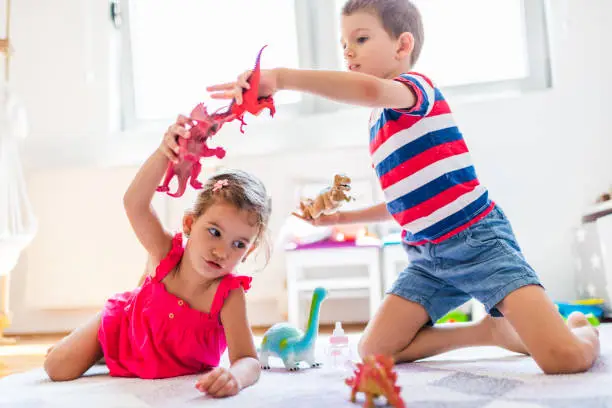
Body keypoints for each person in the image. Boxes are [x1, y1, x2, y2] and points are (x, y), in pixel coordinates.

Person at [206, 0, 599, 374]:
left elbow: (368, 90)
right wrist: (341, 218)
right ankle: (487, 332)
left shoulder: (416, 90)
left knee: (562, 358)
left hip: (479, 242)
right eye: (344, 44)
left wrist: (282, 78)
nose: (349, 52)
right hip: (428, 259)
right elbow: (403, 203)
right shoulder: (378, 123)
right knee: (373, 350)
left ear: (402, 44)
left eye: (360, 39)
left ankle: (581, 328)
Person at [44, 114, 271, 397]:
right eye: (214, 232)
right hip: (125, 329)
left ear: (249, 250)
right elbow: (134, 203)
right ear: (189, 224)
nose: (222, 251)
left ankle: (100, 352)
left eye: (238, 244)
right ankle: (99, 346)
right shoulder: (166, 253)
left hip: (157, 354)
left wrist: (235, 377)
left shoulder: (229, 296)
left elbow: (248, 359)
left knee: (68, 361)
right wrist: (166, 153)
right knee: (57, 366)